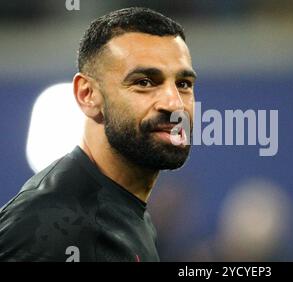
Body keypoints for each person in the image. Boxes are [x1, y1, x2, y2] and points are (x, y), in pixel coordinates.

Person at [0, 7, 196, 262]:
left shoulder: (127, 211)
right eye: (144, 82)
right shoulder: (50, 225)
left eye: (183, 84)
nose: (174, 104)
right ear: (87, 95)